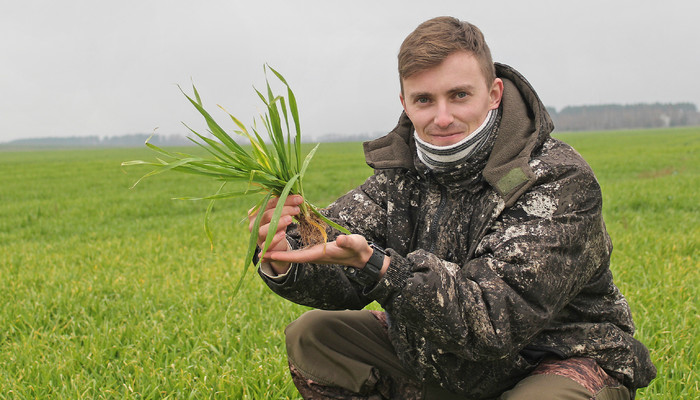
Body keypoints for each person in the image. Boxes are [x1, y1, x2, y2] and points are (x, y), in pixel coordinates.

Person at [249, 16, 656, 399]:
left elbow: (495, 321)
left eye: (459, 95)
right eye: (424, 99)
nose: (442, 118)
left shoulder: (558, 181)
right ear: (405, 103)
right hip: (444, 361)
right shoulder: (399, 175)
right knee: (314, 336)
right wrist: (286, 252)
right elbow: (340, 256)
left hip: (553, 360)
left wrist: (383, 269)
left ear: (493, 94)